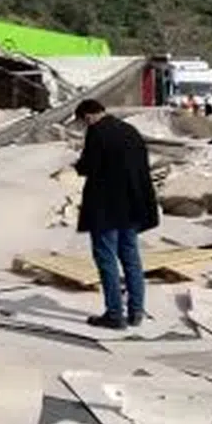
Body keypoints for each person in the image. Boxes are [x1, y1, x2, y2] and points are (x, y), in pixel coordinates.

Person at [73, 99, 160, 330]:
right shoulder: (130, 131)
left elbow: (89, 166)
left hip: (105, 208)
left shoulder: (97, 132)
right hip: (131, 207)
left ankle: (114, 314)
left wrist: (77, 165)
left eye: (83, 121)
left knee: (106, 259)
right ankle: (136, 311)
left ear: (88, 116)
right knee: (131, 258)